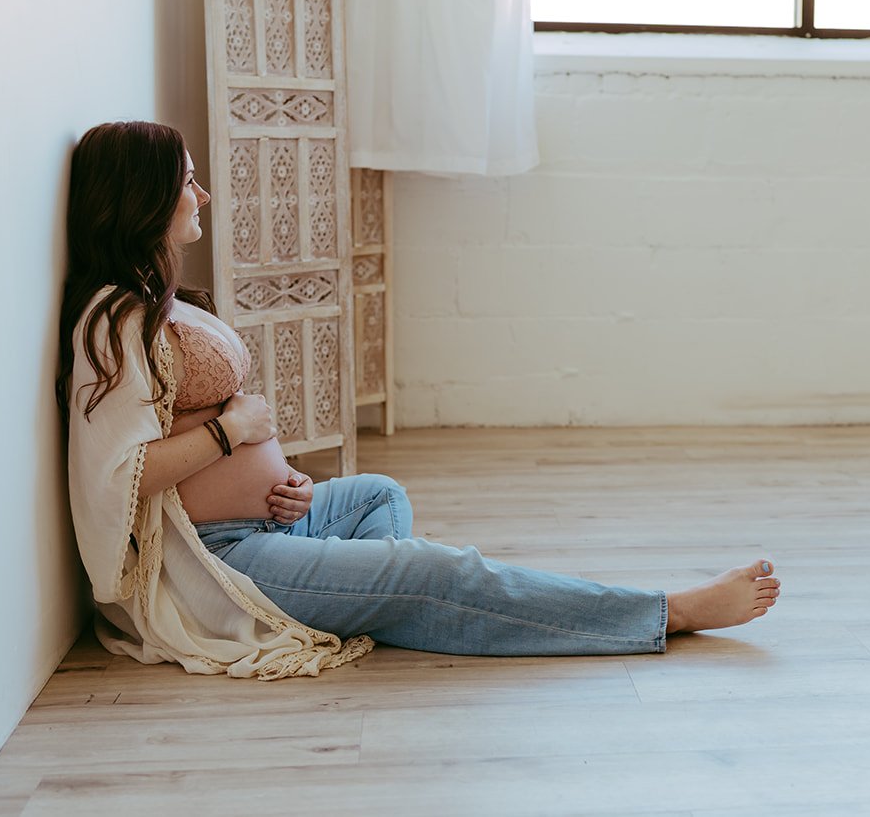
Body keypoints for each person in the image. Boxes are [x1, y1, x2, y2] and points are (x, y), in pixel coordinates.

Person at [58, 120, 780, 679]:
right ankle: (669, 611)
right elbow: (120, 476)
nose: (203, 194)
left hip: (266, 525)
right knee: (439, 570)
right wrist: (230, 434)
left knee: (379, 495)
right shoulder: (113, 320)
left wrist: (274, 484)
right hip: (224, 561)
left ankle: (366, 593)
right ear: (142, 197)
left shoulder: (153, 302)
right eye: (188, 181)